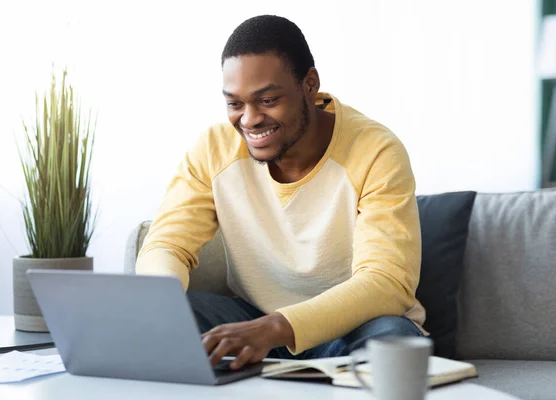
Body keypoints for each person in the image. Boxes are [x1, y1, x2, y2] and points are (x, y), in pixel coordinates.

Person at [136, 14, 426, 370]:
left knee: (393, 342)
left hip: (347, 330)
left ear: (309, 84)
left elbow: (386, 282)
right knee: (156, 319)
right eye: (235, 103)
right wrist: (159, 306)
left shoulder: (376, 151)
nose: (249, 119)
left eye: (268, 100)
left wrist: (275, 328)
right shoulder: (214, 148)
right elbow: (167, 244)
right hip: (252, 321)